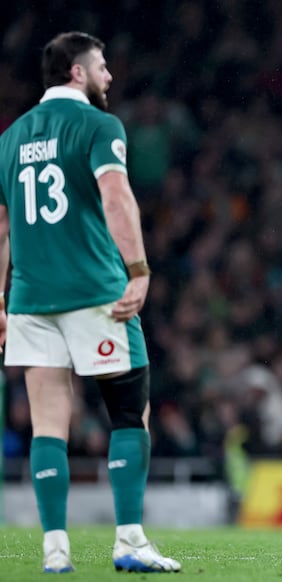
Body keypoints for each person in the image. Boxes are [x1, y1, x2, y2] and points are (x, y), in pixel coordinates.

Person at [0, 31, 180, 573]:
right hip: (94, 293)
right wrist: (139, 270)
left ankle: (55, 549)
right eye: (102, 66)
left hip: (30, 298)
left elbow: (1, 226)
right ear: (76, 72)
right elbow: (116, 197)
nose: (109, 76)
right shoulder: (99, 126)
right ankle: (129, 540)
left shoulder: (9, 139)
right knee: (129, 413)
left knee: (47, 424)